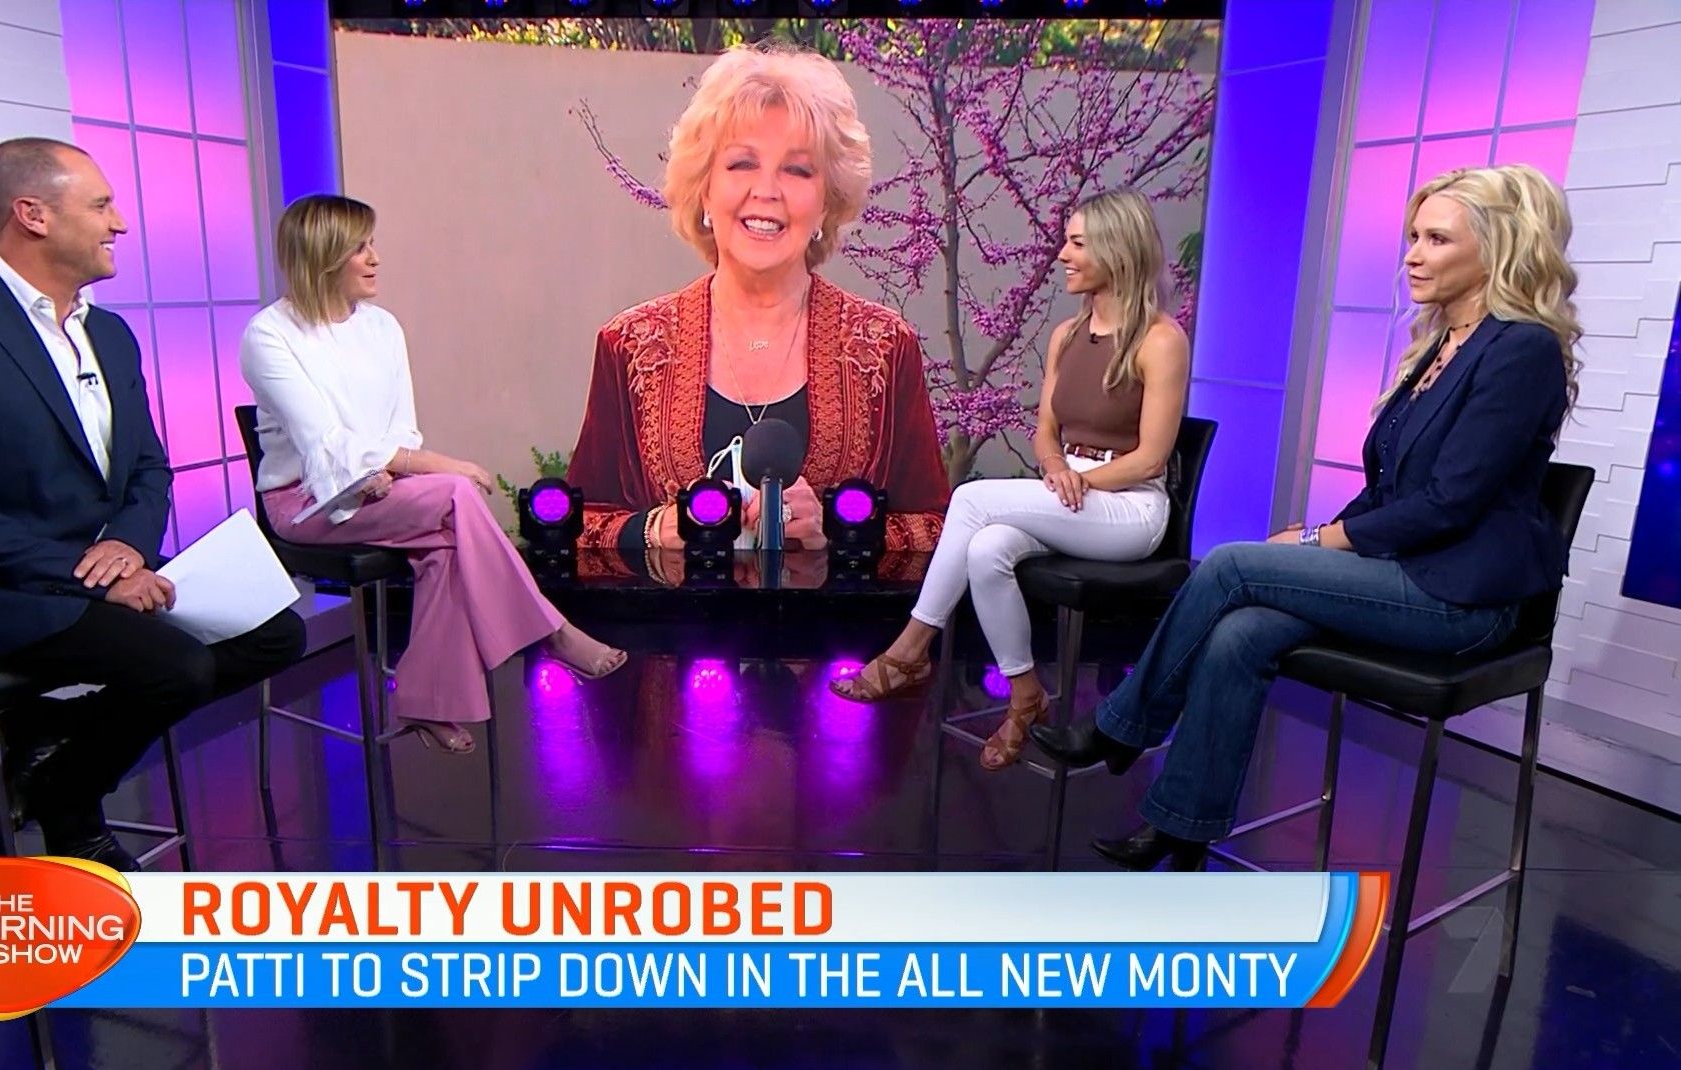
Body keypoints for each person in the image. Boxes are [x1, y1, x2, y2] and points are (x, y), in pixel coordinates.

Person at [1032, 164, 1583, 871]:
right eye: (1413, 237)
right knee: (1241, 632)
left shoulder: (1521, 350)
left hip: (1460, 598)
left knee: (1231, 564)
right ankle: (1181, 829)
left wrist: (1326, 540)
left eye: (1437, 239)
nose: (1413, 255)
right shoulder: (1442, 345)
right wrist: (1321, 541)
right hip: (1402, 571)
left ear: (1496, 247)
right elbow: (1392, 488)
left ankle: (1121, 728)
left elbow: (1451, 502)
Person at [0, 137, 307, 871]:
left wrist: (128, 547)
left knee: (275, 634)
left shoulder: (109, 332)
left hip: (94, 567)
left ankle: (54, 737)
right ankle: (70, 806)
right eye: (101, 205)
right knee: (175, 667)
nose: (120, 223)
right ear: (32, 214)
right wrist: (90, 574)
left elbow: (149, 467)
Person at [243, 194, 626, 755]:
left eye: (372, 244)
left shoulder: (382, 327)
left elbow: (400, 430)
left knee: (447, 545)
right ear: (323, 256)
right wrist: (434, 466)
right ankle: (552, 631)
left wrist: (388, 469)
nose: (375, 258)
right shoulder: (268, 335)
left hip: (384, 488)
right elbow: (325, 440)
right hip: (306, 503)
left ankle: (428, 701)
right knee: (454, 492)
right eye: (359, 248)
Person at [831, 190, 1190, 774]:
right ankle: (1025, 694)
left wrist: (1082, 481)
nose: (1062, 255)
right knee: (987, 548)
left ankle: (909, 650)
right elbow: (1046, 431)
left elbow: (1151, 459)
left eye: (1077, 243)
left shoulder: (1160, 340)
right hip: (1070, 488)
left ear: (1116, 250)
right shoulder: (1067, 335)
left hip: (1129, 507)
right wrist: (1056, 468)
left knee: (972, 498)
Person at [565, 43, 950, 554]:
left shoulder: (885, 347)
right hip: (669, 610)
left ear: (827, 203)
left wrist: (839, 530)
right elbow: (574, 528)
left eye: (797, 170)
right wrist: (654, 531)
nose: (767, 190)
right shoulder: (630, 345)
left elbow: (938, 532)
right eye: (742, 163)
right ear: (704, 190)